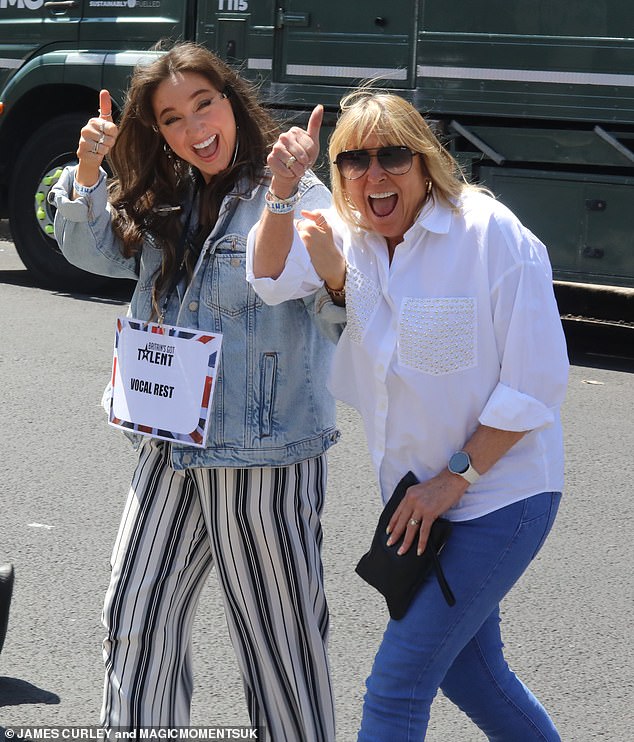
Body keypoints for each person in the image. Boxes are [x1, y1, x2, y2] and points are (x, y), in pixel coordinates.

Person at [247, 88, 569, 740]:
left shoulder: (491, 235)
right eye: (354, 161)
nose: (374, 174)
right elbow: (268, 273)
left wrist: (452, 480)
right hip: (424, 504)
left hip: (497, 498)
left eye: (393, 155)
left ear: (425, 161)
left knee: (396, 688)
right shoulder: (350, 232)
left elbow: (535, 382)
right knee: (473, 675)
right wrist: (282, 194)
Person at [50, 41, 342, 740]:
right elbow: (86, 250)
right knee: (134, 622)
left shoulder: (297, 190)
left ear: (230, 101)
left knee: (281, 657)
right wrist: (89, 167)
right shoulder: (165, 196)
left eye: (203, 104)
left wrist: (284, 196)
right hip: (167, 445)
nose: (193, 127)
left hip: (260, 458)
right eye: (171, 117)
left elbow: (338, 311)